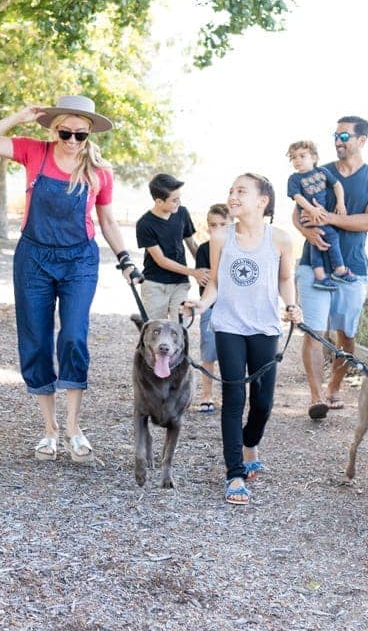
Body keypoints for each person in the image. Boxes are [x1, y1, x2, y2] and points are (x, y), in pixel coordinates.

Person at [0, 94, 141, 463]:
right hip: (33, 257)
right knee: (35, 339)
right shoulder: (35, 152)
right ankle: (49, 430)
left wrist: (125, 259)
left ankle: (73, 427)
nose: (72, 141)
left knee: (74, 336)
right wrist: (19, 115)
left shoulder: (100, 171)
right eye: (65, 132)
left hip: (80, 259)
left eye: (80, 134)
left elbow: (108, 221)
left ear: (90, 134)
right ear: (54, 129)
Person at [184, 174, 301, 505]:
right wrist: (201, 304)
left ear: (262, 201)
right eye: (231, 190)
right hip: (229, 326)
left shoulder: (279, 239)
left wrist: (291, 306)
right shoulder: (221, 237)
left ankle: (251, 442)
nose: (233, 196)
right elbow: (215, 284)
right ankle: (234, 474)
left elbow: (285, 279)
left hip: (265, 327)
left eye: (241, 192)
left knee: (263, 404)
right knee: (234, 399)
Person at [292, 116, 368, 420]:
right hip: (312, 264)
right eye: (336, 135)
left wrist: (329, 219)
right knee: (313, 331)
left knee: (346, 334)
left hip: (353, 269)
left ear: (361, 141)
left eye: (345, 136)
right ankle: (316, 396)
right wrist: (307, 232)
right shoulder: (318, 173)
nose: (338, 141)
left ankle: (334, 386)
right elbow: (296, 214)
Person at [135, 173, 208, 322]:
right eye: (174, 200)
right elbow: (161, 260)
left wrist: (204, 269)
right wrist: (193, 272)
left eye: (179, 198)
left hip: (180, 283)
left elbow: (191, 244)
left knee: (180, 327)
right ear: (159, 201)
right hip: (155, 284)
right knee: (155, 331)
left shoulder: (182, 213)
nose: (178, 203)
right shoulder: (144, 224)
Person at [287, 140, 354, 290]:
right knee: (331, 236)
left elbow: (337, 185)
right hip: (309, 216)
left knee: (317, 243)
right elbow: (298, 197)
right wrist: (312, 209)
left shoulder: (322, 172)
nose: (297, 160)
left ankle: (320, 276)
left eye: (302, 156)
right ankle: (339, 270)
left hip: (319, 214)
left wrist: (340, 203)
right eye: (293, 157)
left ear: (314, 158)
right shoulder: (294, 178)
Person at [192, 203, 228, 413]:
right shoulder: (205, 249)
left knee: (232, 355)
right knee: (208, 352)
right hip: (211, 307)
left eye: (223, 224)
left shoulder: (239, 246)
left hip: (234, 309)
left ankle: (231, 394)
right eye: (213, 225)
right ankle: (206, 394)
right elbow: (206, 280)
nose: (217, 229)